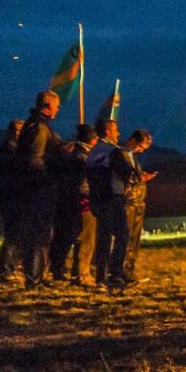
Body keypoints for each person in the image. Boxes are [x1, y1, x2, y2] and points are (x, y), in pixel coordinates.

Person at [16, 91, 63, 288]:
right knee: (39, 234)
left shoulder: (37, 125)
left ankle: (37, 275)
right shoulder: (39, 128)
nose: (59, 109)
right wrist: (49, 177)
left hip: (37, 188)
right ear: (47, 106)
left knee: (42, 234)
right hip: (38, 190)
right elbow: (34, 159)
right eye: (56, 106)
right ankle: (34, 278)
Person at [48, 125, 98, 285]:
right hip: (83, 201)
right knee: (85, 238)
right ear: (93, 140)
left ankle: (56, 268)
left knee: (64, 236)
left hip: (65, 200)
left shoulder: (68, 152)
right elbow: (85, 181)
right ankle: (81, 274)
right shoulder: (84, 157)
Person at [88, 119, 131, 288]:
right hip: (113, 196)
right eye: (116, 129)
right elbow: (125, 172)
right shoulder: (113, 151)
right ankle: (116, 273)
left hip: (98, 198)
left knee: (104, 237)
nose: (118, 133)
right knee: (122, 235)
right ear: (108, 132)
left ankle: (101, 275)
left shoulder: (93, 152)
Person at [121, 130, 155, 282]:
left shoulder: (132, 157)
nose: (141, 151)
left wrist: (141, 179)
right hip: (128, 202)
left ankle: (129, 269)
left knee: (135, 239)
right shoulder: (121, 155)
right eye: (140, 147)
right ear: (133, 140)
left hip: (137, 202)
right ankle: (122, 269)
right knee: (126, 238)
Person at [0, 119, 24, 281]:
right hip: (11, 196)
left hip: (12, 195)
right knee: (13, 233)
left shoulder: (11, 149)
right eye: (17, 130)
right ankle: (7, 269)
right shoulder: (9, 149)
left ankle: (10, 267)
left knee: (16, 233)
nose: (19, 134)